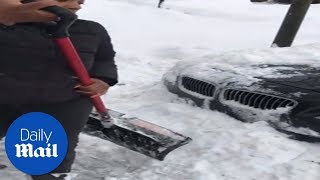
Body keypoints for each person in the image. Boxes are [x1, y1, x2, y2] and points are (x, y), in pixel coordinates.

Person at [0, 0, 118, 179]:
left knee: (42, 158)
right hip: (4, 97)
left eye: (80, 0)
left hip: (61, 102)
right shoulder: (6, 24)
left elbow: (104, 60)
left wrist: (102, 80)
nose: (77, 4)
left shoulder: (92, 30)